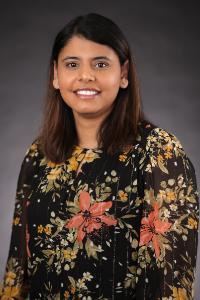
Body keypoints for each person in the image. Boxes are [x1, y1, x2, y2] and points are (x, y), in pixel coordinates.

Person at [0, 12, 199, 300]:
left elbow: (169, 282)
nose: (85, 75)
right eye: (72, 64)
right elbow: (18, 270)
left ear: (123, 74)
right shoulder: (39, 154)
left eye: (101, 64)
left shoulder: (158, 153)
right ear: (56, 75)